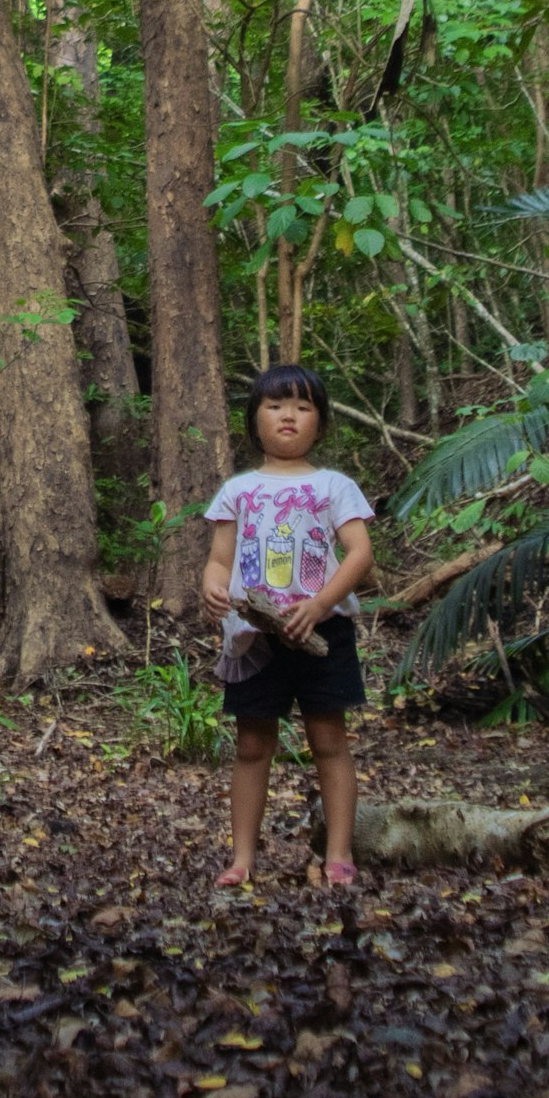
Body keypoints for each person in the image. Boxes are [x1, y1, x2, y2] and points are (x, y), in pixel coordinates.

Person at [200, 363, 376, 887]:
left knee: (329, 739)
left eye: (302, 408)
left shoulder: (333, 485)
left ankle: (339, 855)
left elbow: (360, 552)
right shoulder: (238, 490)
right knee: (252, 744)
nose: (289, 417)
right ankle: (242, 859)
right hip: (256, 637)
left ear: (319, 424)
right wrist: (212, 586)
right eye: (276, 406)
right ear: (255, 420)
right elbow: (219, 558)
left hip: (325, 632)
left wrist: (320, 605)